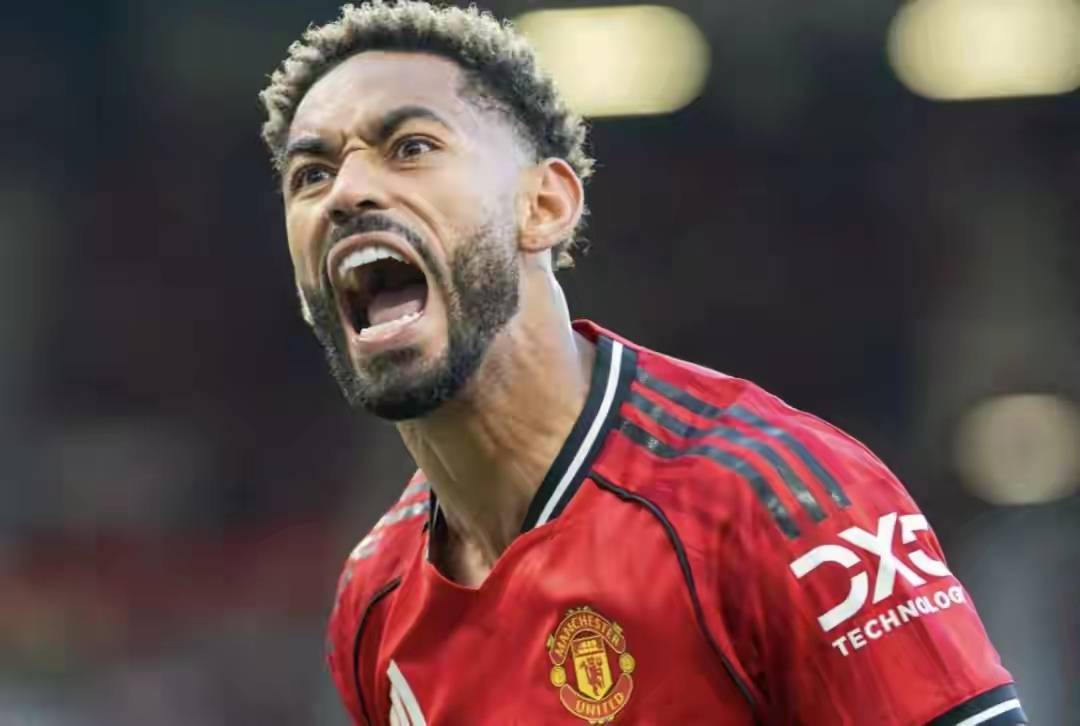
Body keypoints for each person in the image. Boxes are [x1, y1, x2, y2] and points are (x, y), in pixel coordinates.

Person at [258, 2, 1025, 724]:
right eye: (310, 175)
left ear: (544, 206)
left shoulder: (778, 501)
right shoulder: (374, 597)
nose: (347, 192)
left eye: (412, 148)